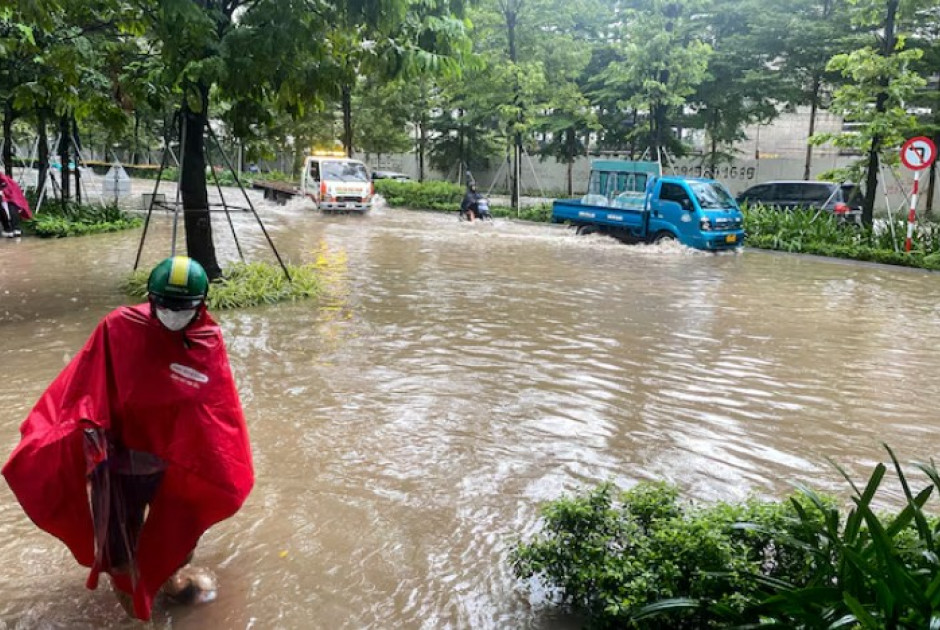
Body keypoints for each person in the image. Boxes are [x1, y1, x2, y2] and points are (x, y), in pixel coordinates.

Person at [2, 256, 254, 621]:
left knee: (179, 537)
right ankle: (136, 616)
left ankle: (167, 580)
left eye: (182, 307)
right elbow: (83, 385)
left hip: (174, 468)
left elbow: (217, 413)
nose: (172, 313)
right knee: (119, 552)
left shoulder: (206, 342)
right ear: (151, 299)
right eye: (164, 304)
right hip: (120, 465)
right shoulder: (118, 327)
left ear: (200, 305)